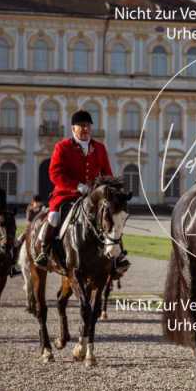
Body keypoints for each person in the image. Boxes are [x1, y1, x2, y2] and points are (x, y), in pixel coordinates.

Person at [33, 109, 122, 270]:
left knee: (112, 217)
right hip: (66, 194)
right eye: (81, 126)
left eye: (88, 125)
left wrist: (112, 190)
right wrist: (77, 186)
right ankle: (44, 252)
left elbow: (107, 173)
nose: (85, 129)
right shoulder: (62, 147)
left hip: (93, 196)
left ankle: (117, 256)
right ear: (73, 128)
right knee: (53, 217)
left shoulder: (99, 148)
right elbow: (55, 174)